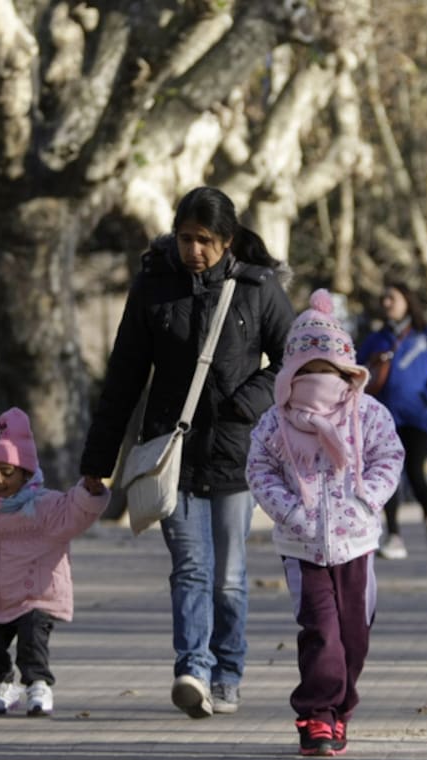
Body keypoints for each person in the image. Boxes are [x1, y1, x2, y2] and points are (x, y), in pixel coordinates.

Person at [80, 186, 296, 719]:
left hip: (235, 455)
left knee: (229, 577)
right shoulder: (154, 287)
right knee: (192, 568)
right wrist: (97, 464)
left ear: (227, 240)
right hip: (170, 454)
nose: (193, 250)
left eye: (205, 240)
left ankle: (228, 674)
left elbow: (293, 361)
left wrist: (247, 402)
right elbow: (124, 378)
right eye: (185, 238)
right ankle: (193, 670)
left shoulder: (258, 288)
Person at [246, 289, 405, 756]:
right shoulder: (276, 422)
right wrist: (290, 512)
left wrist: (364, 502)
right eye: (307, 370)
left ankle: (340, 709)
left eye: (329, 369)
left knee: (354, 635)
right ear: (292, 372)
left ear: (345, 370)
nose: (319, 379)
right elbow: (259, 469)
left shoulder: (368, 414)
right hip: (303, 547)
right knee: (322, 631)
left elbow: (389, 457)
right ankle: (316, 714)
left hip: (356, 542)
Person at [0, 407, 110, 716]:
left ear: (25, 472)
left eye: (6, 472)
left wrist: (89, 491)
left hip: (34, 596)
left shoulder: (45, 505)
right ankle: (1, 686)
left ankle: (38, 685)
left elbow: (74, 512)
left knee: (31, 640)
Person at [356, 281, 427, 560]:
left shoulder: (426, 335)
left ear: (407, 301)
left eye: (392, 298)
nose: (386, 303)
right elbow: (357, 369)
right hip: (383, 420)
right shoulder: (376, 339)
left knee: (415, 472)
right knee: (387, 478)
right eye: (384, 299)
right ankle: (394, 536)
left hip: (416, 417)